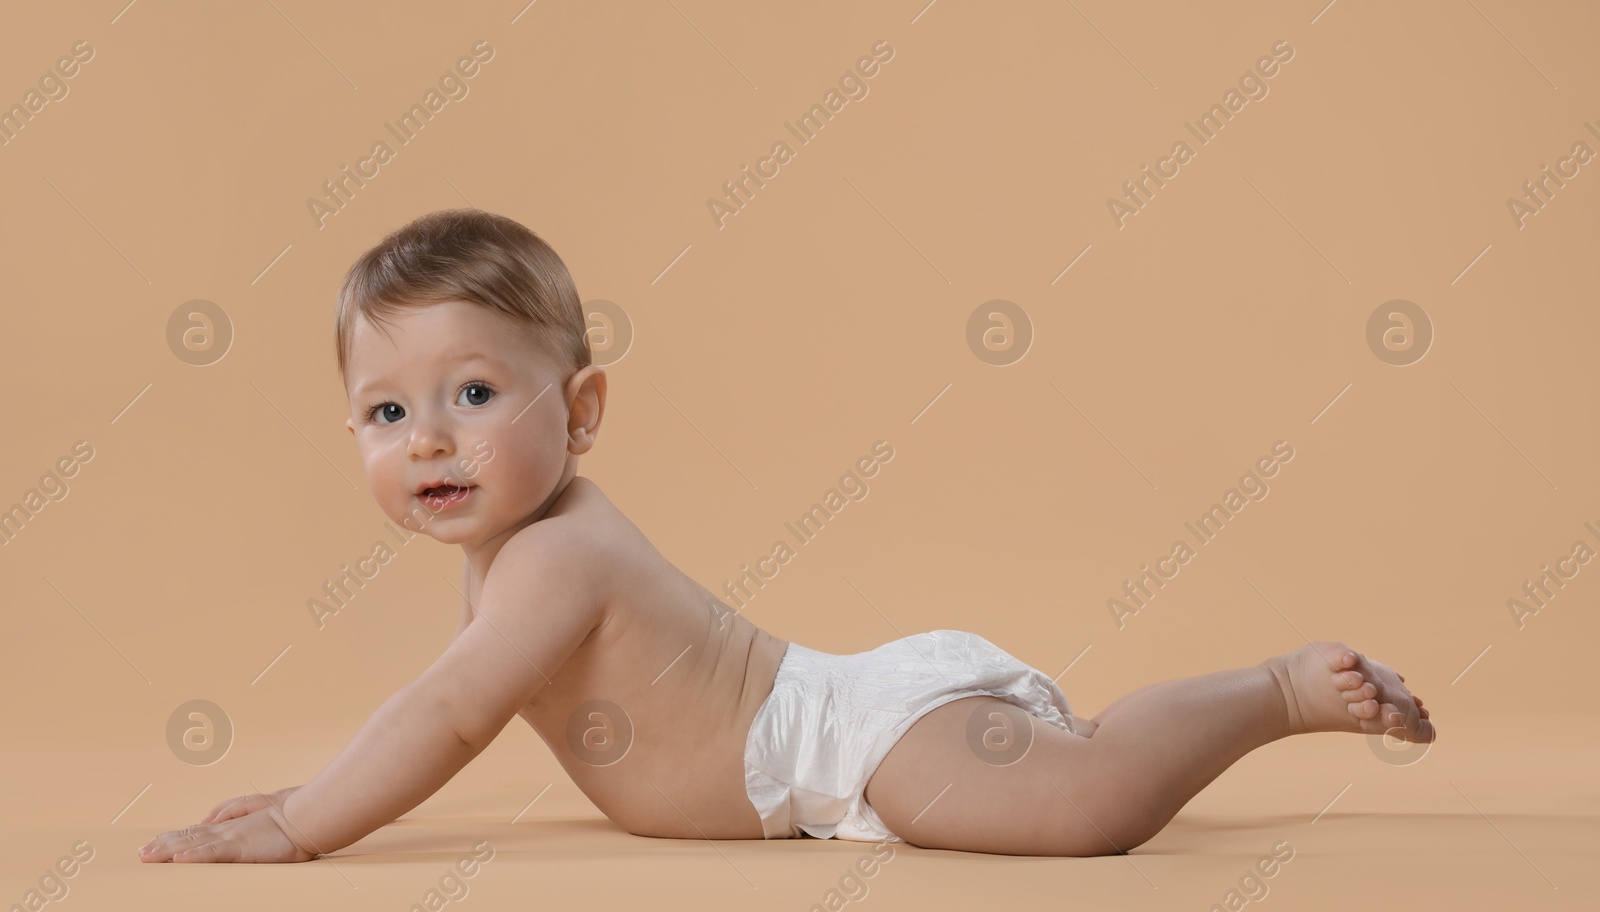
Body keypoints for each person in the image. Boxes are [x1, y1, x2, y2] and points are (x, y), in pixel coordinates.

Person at [138, 208, 1434, 863]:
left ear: (581, 411)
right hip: (842, 739)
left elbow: (446, 714)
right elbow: (441, 707)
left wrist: (302, 823)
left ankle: (1274, 690)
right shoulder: (516, 549)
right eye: (386, 411)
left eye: (475, 394)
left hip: (857, 741)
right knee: (1068, 774)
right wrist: (305, 795)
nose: (429, 438)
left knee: (1087, 802)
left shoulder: (554, 554)